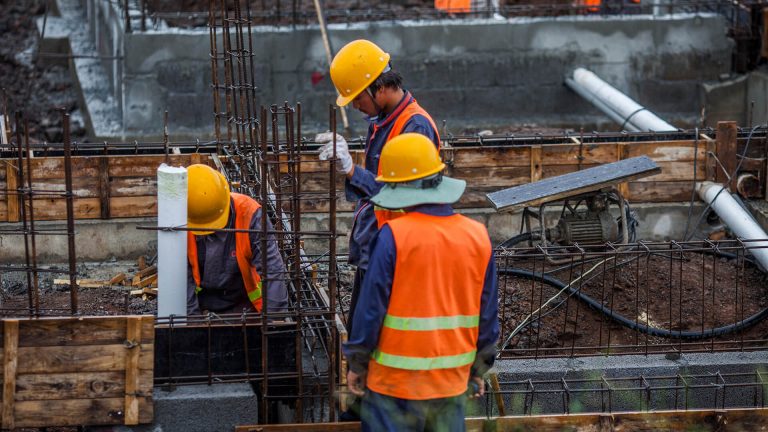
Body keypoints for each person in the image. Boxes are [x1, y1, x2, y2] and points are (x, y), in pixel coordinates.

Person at [342, 134, 499, 432]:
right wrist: (479, 367)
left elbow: (370, 310)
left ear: (398, 188)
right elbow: (487, 314)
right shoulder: (478, 236)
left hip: (393, 387)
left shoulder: (392, 237)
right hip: (450, 385)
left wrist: (357, 363)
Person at [315, 39, 441, 336]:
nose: (356, 106)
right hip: (378, 248)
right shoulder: (383, 120)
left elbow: (404, 197)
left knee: (380, 337)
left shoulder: (415, 128)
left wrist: (351, 170)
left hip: (399, 256)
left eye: (358, 98)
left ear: (380, 88)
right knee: (360, 331)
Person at [185, 164, 289, 315]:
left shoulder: (250, 214)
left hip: (244, 302)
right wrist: (192, 326)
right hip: (202, 304)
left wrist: (274, 323)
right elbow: (181, 280)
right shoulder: (182, 218)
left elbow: (272, 269)